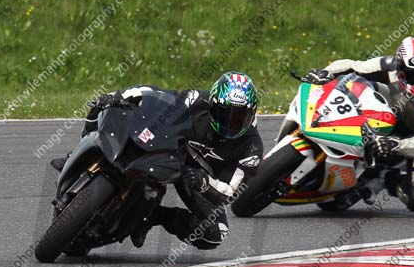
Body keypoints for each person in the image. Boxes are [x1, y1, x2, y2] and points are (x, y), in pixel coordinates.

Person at [52, 72, 263, 249]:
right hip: (171, 152)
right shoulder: (197, 100)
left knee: (215, 233)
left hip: (199, 179)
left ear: (252, 114)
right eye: (225, 114)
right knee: (101, 106)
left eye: (240, 117)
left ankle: (154, 216)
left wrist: (204, 183)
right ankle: (76, 153)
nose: (231, 123)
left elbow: (231, 191)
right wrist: (119, 96)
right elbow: (159, 95)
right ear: (213, 105)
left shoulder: (252, 149)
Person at [304, 36, 414, 213]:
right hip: (394, 114)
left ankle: (385, 178)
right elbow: (353, 66)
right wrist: (326, 73)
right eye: (412, 73)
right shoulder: (389, 65)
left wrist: (395, 145)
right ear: (400, 66)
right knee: (359, 84)